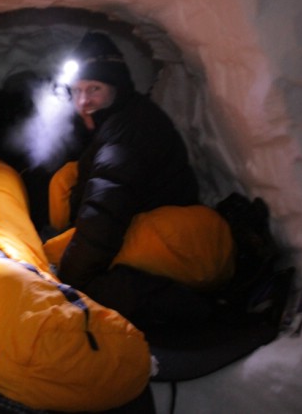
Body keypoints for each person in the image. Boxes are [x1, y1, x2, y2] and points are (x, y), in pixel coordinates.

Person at [51, 31, 200, 311]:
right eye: (77, 91)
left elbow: (103, 218)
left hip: (169, 240)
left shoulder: (125, 135)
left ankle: (202, 315)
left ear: (116, 88)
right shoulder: (116, 118)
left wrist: (67, 282)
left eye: (94, 89)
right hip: (145, 223)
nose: (83, 101)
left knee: (88, 285)